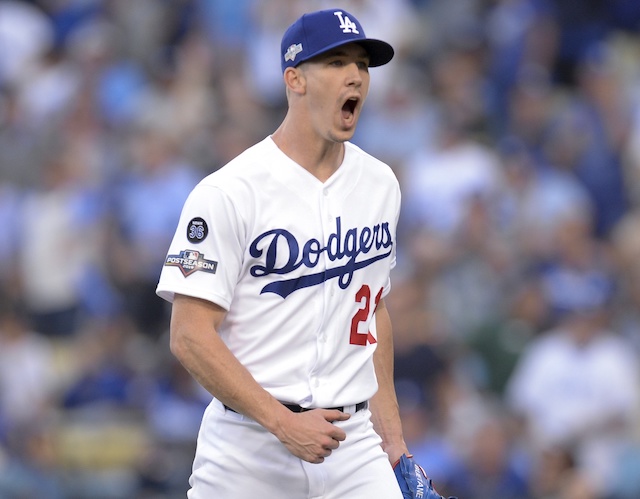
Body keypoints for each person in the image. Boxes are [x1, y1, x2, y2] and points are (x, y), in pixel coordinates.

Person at [156, 8, 441, 498]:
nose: (355, 75)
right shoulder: (228, 191)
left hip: (353, 443)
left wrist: (393, 442)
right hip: (249, 445)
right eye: (336, 63)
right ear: (295, 79)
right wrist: (281, 422)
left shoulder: (380, 184)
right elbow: (188, 335)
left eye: (362, 64)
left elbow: (371, 311)